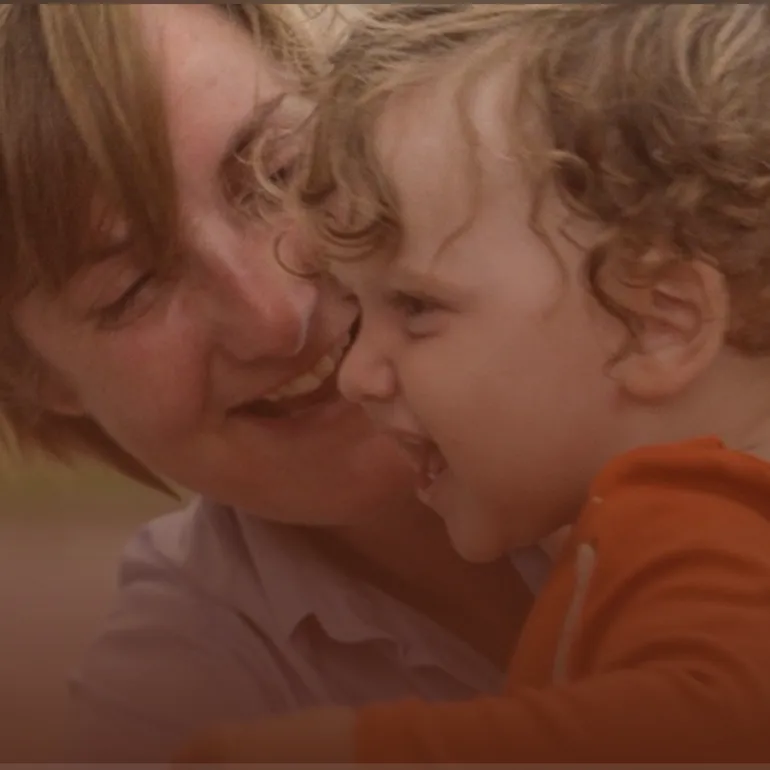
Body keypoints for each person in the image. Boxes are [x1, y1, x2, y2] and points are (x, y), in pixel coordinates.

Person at [174, 4, 770, 763]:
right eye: (357, 303)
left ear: (658, 322)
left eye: (415, 307)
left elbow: (720, 727)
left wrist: (353, 753)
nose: (358, 374)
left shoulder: (700, 515)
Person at [0, 4, 541, 762]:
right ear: (31, 376)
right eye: (133, 288)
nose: (275, 317)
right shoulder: (175, 706)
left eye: (277, 173)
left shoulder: (684, 362)